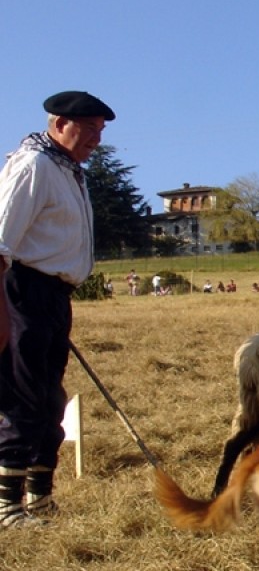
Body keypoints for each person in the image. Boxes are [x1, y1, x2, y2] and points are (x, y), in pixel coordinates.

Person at [0, 90, 115, 528]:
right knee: (23, 396)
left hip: (52, 296)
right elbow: (0, 240)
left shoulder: (68, 172)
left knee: (49, 399)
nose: (95, 139)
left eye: (100, 131)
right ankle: (6, 504)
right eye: (88, 129)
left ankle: (39, 498)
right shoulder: (33, 166)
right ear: (59, 124)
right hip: (22, 291)